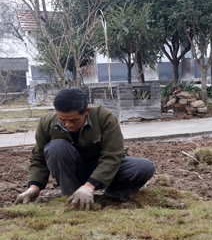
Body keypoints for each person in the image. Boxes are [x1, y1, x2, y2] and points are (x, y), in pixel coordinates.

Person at [14, 88, 155, 210]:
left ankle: (113, 196)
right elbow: (39, 157)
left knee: (145, 167)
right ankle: (71, 197)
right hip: (74, 169)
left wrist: (90, 185)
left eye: (74, 120)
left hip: (104, 169)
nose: (68, 124)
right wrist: (33, 188)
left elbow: (112, 156)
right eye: (63, 120)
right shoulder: (46, 123)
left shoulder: (104, 117)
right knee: (56, 147)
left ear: (86, 111)